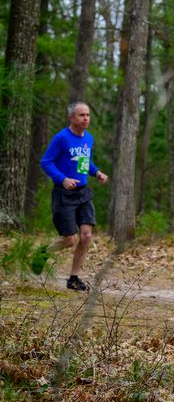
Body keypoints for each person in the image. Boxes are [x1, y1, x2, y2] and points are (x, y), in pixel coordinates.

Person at [35, 101, 109, 291]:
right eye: (81, 115)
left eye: (88, 115)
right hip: (64, 193)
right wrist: (62, 179)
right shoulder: (61, 138)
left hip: (83, 193)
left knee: (86, 236)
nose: (86, 118)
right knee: (70, 240)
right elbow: (46, 162)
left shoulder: (88, 139)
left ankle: (73, 278)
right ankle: (43, 254)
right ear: (72, 117)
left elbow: (85, 162)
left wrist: (97, 172)